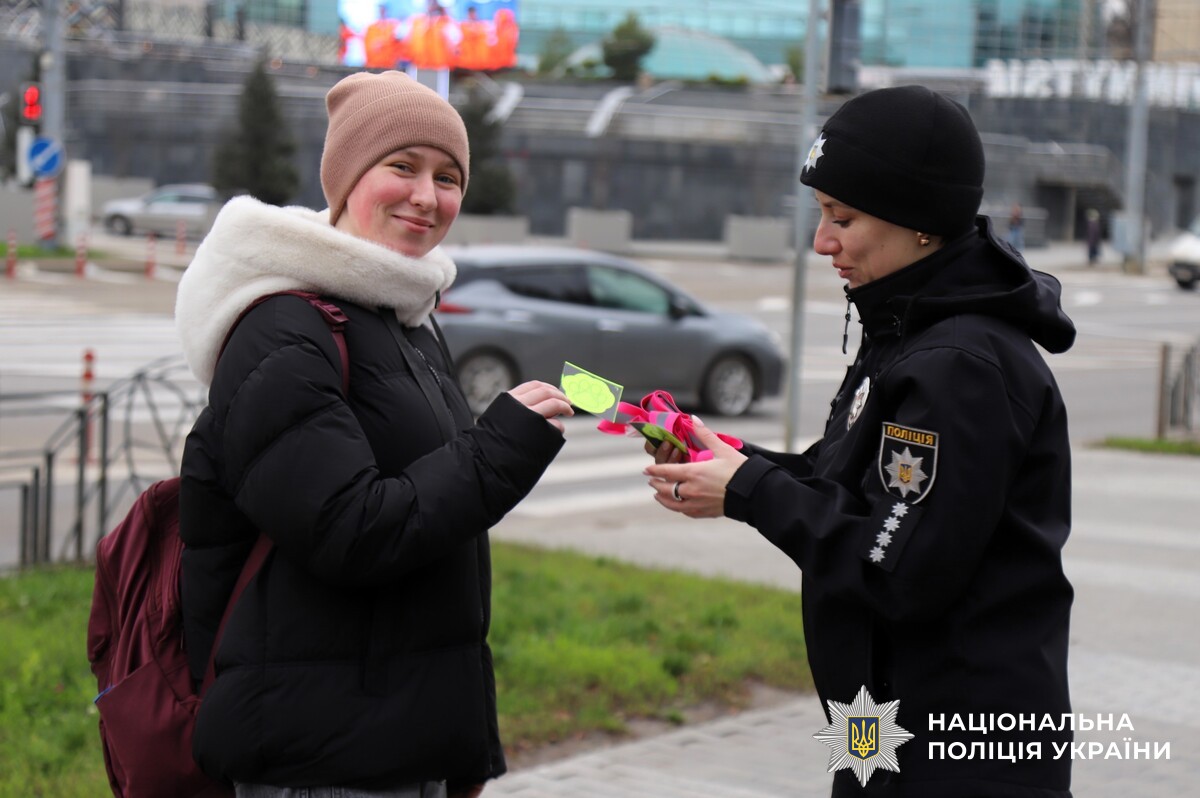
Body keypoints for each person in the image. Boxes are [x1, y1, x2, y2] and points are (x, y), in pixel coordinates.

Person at [644, 86, 1076, 797]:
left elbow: (897, 567)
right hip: (882, 729)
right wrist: (726, 460)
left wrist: (749, 492)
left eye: (842, 218)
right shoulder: (908, 330)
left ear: (921, 225)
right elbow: (845, 482)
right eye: (819, 215)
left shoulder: (958, 366)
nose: (822, 242)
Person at [175, 71, 573, 798]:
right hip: (320, 755)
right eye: (402, 167)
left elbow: (433, 532)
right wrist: (501, 446)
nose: (428, 196)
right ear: (347, 178)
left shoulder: (401, 318)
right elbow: (350, 529)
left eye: (449, 177)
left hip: (396, 743)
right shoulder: (282, 328)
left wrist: (458, 746)